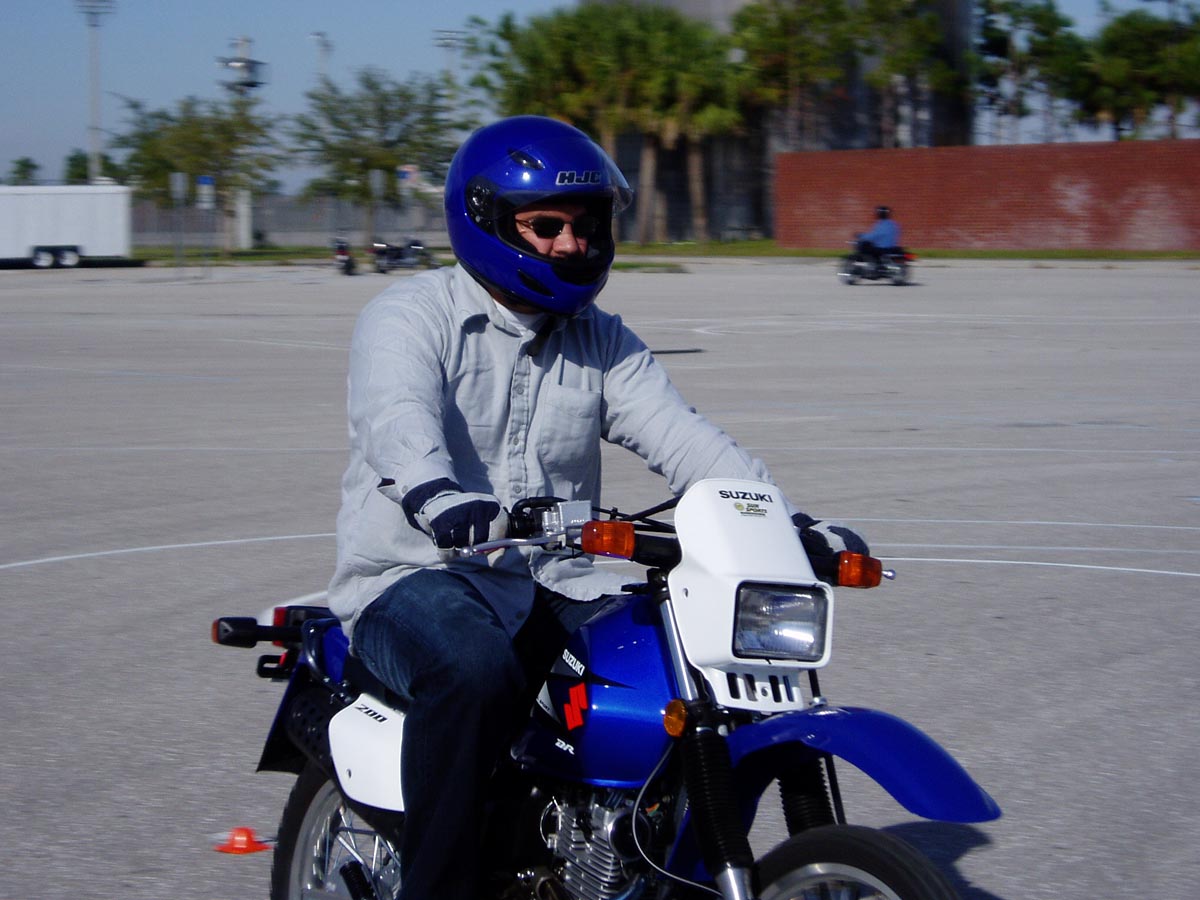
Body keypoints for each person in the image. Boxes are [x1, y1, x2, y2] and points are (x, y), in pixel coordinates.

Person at [326, 115, 868, 900]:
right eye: (546, 226)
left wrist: (788, 525)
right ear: (485, 220)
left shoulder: (602, 341)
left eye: (585, 226)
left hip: (558, 578)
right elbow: (396, 418)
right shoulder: (411, 316)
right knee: (472, 668)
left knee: (684, 664)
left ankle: (640, 857)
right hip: (415, 576)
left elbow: (686, 440)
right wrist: (438, 495)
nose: (571, 244)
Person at [855, 205, 901, 269]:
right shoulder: (894, 224)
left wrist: (861, 236)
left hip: (881, 248)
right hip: (891, 247)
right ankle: (876, 265)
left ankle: (865, 265)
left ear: (880, 214)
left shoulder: (881, 224)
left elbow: (873, 236)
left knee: (865, 246)